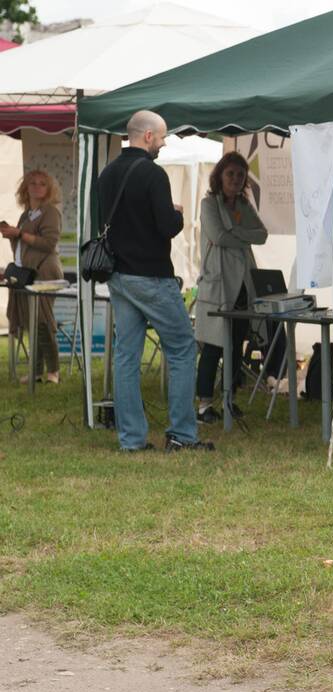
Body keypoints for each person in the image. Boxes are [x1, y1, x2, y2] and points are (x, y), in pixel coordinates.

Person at [99, 110, 212, 452]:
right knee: (181, 348)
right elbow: (166, 226)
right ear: (147, 136)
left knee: (126, 355)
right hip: (151, 274)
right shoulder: (153, 174)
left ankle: (131, 439)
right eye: (162, 137)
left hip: (118, 275)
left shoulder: (106, 175)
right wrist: (176, 213)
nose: (163, 143)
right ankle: (181, 434)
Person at [193, 152, 269, 423]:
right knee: (213, 345)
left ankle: (228, 399)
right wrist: (239, 234)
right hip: (218, 283)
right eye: (230, 174)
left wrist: (234, 232)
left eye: (240, 175)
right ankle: (203, 405)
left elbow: (261, 235)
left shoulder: (244, 206)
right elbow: (217, 236)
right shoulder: (208, 204)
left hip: (242, 284)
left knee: (236, 344)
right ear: (219, 176)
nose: (236, 179)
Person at [1, 170, 64, 384]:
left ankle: (53, 371)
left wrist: (20, 234)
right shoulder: (26, 214)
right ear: (25, 188)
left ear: (48, 189)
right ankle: (37, 371)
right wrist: (12, 233)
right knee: (31, 321)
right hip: (27, 272)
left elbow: (48, 244)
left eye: (42, 184)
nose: (37, 187)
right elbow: (24, 244)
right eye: (33, 184)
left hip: (45, 271)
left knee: (42, 320)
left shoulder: (50, 212)